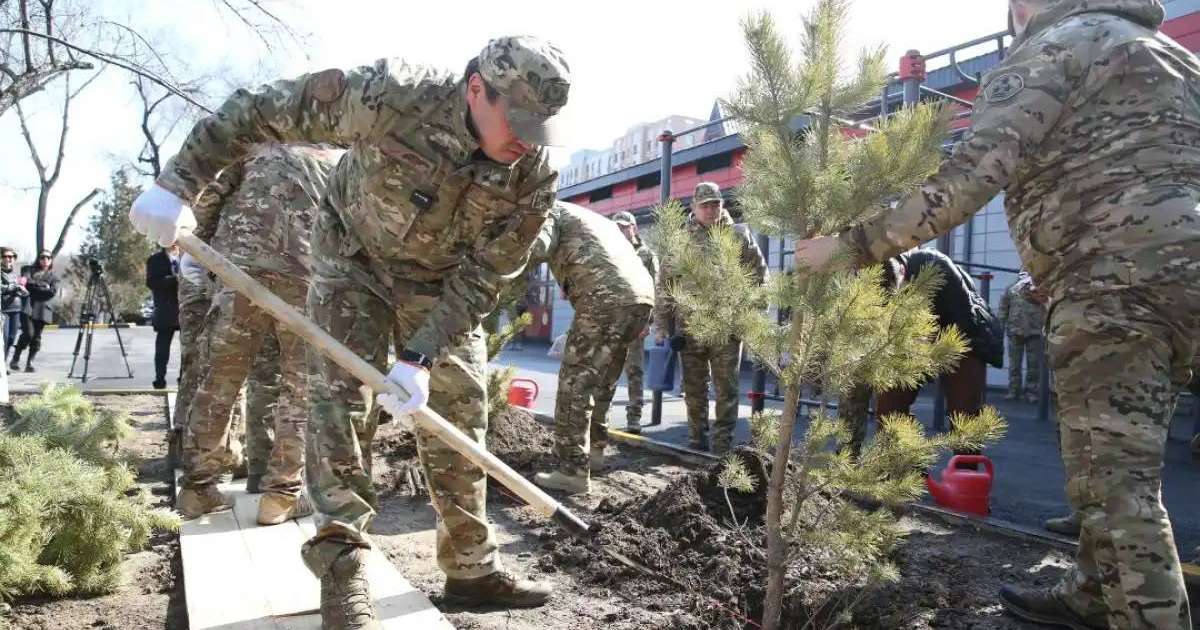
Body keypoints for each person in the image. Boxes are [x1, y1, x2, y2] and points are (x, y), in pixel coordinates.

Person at [128, 36, 570, 626]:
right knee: (338, 403)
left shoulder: (534, 174)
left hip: (442, 287)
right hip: (351, 261)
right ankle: (343, 570)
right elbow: (264, 109)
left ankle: (470, 569)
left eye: (538, 128)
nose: (524, 140)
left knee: (462, 408)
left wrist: (419, 355)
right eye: (515, 121)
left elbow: (489, 273)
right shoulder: (391, 96)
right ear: (475, 89)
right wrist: (178, 183)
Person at [790, 1, 1198, 626]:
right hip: (1174, 284)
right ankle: (1091, 595)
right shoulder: (1175, 58)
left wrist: (848, 247)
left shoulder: (1057, 44)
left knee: (1118, 486)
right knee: (1114, 455)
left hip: (1112, 284)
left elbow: (971, 172)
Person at [178, 143, 343, 525]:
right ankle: (280, 497)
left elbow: (211, 195)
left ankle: (197, 489)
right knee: (299, 387)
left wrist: (198, 248)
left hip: (240, 271)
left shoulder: (254, 146)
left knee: (218, 380)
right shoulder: (340, 162)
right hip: (306, 276)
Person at [528, 203, 654, 494]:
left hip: (605, 297)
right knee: (603, 382)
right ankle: (595, 453)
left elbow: (535, 248)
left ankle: (571, 470)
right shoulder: (589, 218)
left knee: (574, 383)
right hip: (640, 300)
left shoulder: (549, 212)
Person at [655, 182, 768, 454]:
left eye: (715, 204)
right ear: (693, 207)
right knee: (694, 390)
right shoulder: (679, 240)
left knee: (726, 390)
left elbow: (760, 277)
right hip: (689, 328)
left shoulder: (739, 235)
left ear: (722, 205)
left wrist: (752, 316)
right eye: (704, 205)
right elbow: (665, 286)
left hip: (726, 329)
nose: (710, 209)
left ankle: (721, 447)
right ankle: (696, 439)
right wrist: (662, 326)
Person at [611, 211, 658, 434]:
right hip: (610, 321)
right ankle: (602, 414)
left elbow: (655, 290)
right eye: (617, 227)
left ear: (634, 228)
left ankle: (634, 417)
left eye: (625, 227)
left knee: (634, 371)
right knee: (606, 370)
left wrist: (649, 322)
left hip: (635, 323)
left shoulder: (647, 255)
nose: (621, 231)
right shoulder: (607, 250)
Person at [999, 273, 1047, 403]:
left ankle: (1031, 392)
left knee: (1033, 365)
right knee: (1015, 364)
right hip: (1015, 331)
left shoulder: (1039, 290)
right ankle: (1014, 390)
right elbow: (1003, 308)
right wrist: (1000, 327)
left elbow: (1046, 307)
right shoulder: (1011, 289)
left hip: (1034, 331)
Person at [9, 251, 58, 373]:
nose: (45, 259)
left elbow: (51, 292)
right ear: (38, 258)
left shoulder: (54, 277)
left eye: (48, 257)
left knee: (36, 337)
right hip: (28, 307)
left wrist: (36, 287)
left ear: (51, 260)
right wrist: (43, 286)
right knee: (28, 334)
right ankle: (16, 357)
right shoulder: (28, 269)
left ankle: (29, 363)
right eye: (42, 257)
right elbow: (26, 282)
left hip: (43, 309)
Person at [146, 245, 181, 389]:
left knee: (188, 348)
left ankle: (184, 378)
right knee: (162, 348)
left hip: (186, 309)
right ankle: (159, 379)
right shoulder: (155, 259)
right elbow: (152, 282)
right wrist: (175, 280)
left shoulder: (187, 257)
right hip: (165, 310)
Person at [1, 248, 28, 362]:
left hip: (16, 308)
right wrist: (13, 287)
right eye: (5, 256)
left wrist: (22, 290)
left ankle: (4, 362)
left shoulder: (16, 274)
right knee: (5, 338)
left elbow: (22, 288)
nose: (8, 259)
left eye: (11, 257)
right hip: (4, 308)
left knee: (12, 338)